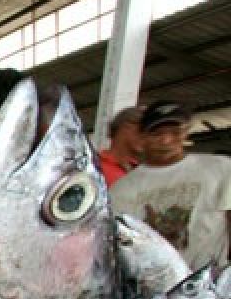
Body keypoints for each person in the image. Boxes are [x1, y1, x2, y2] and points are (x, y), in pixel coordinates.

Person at [110, 101, 231, 271]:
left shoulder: (221, 168)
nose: (166, 140)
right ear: (142, 137)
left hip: (212, 283)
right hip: (151, 286)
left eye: (175, 132)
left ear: (186, 132)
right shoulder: (120, 190)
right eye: (157, 134)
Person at [98, 106, 144, 188]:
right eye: (143, 130)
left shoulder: (142, 170)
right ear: (126, 127)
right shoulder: (94, 166)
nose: (147, 137)